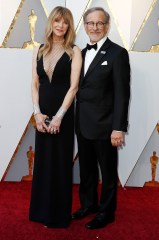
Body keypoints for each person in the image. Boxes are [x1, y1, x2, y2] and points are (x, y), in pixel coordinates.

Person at [72, 7, 130, 229]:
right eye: (90, 23)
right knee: (86, 169)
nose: (94, 27)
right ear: (85, 26)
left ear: (107, 25)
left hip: (106, 126)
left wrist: (118, 128)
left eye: (99, 23)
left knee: (107, 173)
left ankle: (106, 212)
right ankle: (88, 205)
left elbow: (122, 94)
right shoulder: (80, 52)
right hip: (82, 123)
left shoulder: (118, 53)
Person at [29, 6, 82, 228]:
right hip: (42, 113)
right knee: (43, 161)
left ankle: (58, 215)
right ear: (51, 22)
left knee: (59, 162)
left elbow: (74, 87)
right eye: (57, 21)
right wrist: (37, 114)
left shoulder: (74, 51)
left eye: (65, 22)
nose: (60, 25)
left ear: (69, 26)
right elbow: (34, 83)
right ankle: (40, 211)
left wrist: (59, 116)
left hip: (64, 113)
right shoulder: (39, 49)